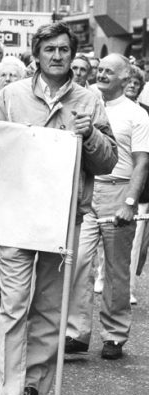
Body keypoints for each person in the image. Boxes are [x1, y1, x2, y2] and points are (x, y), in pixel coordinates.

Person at [0, 22, 117, 395]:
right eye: (50, 50)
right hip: (15, 216)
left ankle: (32, 388)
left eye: (64, 50)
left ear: (72, 55)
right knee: (13, 305)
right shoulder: (9, 96)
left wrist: (90, 135)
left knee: (48, 308)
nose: (57, 57)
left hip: (63, 220)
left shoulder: (89, 101)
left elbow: (108, 160)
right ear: (37, 54)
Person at [65, 54, 149, 361]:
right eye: (99, 69)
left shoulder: (137, 114)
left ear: (125, 80)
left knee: (116, 270)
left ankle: (114, 335)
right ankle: (76, 332)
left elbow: (142, 163)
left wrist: (130, 201)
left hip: (119, 191)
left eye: (108, 72)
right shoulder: (86, 104)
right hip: (87, 189)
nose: (101, 74)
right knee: (78, 262)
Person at [124, 65, 149, 305]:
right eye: (129, 81)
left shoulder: (146, 113)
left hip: (141, 190)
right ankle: (101, 275)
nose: (132, 85)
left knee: (135, 242)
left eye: (136, 83)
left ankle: (129, 288)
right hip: (110, 182)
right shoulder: (103, 107)